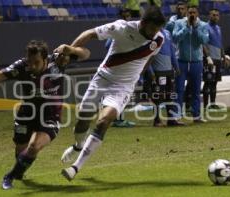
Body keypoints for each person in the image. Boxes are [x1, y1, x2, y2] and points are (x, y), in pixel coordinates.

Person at [55, 6, 165, 181]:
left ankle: (75, 167)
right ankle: (78, 145)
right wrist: (70, 50)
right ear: (143, 23)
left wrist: (137, 76)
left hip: (123, 87)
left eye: (157, 30)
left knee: (103, 121)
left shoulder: (159, 40)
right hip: (102, 78)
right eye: (152, 29)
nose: (154, 33)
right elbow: (90, 33)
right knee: (84, 116)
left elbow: (149, 57)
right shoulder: (121, 27)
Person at [0, 40, 90, 190]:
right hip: (27, 114)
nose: (32, 66)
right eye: (30, 61)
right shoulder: (21, 66)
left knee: (34, 147)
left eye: (37, 62)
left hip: (50, 115)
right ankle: (18, 172)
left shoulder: (59, 60)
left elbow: (86, 54)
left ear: (46, 59)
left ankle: (9, 176)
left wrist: (71, 49)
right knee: (21, 149)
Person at [172, 5, 209, 122]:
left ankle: (196, 115)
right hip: (181, 61)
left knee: (196, 90)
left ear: (197, 14)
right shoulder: (179, 23)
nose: (192, 15)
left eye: (194, 12)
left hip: (196, 62)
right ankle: (176, 116)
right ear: (187, 13)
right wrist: (187, 27)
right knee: (179, 89)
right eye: (190, 12)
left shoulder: (203, 25)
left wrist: (196, 28)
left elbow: (204, 40)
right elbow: (175, 38)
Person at [146, 28, 185, 127]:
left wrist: (176, 67)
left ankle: (171, 120)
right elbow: (147, 55)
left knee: (170, 95)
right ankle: (157, 120)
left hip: (169, 71)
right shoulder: (151, 33)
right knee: (157, 96)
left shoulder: (167, 33)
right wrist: (150, 71)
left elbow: (172, 51)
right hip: (158, 72)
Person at [105, 8, 136, 128]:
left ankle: (117, 118)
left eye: (128, 16)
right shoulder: (117, 29)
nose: (126, 19)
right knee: (118, 93)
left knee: (120, 93)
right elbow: (107, 45)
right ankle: (118, 119)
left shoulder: (131, 29)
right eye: (124, 16)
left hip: (125, 66)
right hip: (117, 67)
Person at [202, 9, 224, 110]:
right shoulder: (205, 27)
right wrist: (207, 57)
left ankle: (213, 103)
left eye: (217, 15)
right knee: (208, 81)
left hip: (218, 58)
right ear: (209, 16)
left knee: (215, 82)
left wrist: (223, 55)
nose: (215, 17)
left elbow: (219, 43)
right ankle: (206, 104)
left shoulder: (219, 28)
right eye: (213, 15)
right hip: (210, 59)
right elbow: (204, 44)